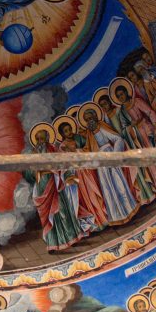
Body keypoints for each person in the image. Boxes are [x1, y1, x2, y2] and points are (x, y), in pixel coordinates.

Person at [112, 78, 156, 197]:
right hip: (138, 140)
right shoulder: (122, 112)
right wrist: (130, 128)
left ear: (126, 92)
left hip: (148, 132)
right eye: (118, 96)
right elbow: (123, 130)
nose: (121, 97)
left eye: (122, 94)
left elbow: (149, 112)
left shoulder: (137, 101)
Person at [28, 123, 88, 252]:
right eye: (38, 139)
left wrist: (66, 176)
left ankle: (71, 238)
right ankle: (53, 243)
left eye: (42, 139)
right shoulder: (33, 154)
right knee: (47, 216)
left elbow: (63, 164)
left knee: (62, 212)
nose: (40, 142)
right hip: (42, 187)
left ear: (48, 138)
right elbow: (29, 173)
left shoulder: (54, 149)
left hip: (55, 183)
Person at [78, 106, 139, 224]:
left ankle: (129, 209)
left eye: (91, 117)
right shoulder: (89, 135)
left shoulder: (102, 126)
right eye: (87, 119)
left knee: (118, 183)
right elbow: (89, 150)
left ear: (95, 117)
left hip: (110, 156)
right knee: (107, 189)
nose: (89, 120)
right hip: (101, 164)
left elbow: (118, 139)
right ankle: (116, 216)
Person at [55, 119, 108, 232]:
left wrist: (77, 152)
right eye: (66, 131)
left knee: (96, 193)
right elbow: (65, 164)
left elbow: (89, 149)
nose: (69, 132)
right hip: (78, 174)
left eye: (70, 129)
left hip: (89, 170)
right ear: (62, 134)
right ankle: (96, 223)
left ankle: (103, 217)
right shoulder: (62, 147)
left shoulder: (79, 138)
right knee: (87, 198)